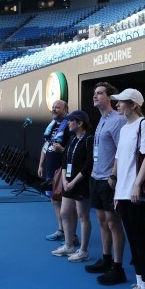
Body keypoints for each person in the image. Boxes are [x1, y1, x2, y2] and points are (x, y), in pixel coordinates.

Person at [110, 88, 145, 289]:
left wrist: (137, 185)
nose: (117, 105)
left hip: (136, 194)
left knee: (140, 242)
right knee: (133, 240)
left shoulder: (144, 125)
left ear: (134, 105)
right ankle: (140, 285)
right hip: (124, 194)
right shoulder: (124, 129)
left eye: (121, 102)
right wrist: (118, 192)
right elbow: (120, 161)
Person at [86, 82, 128, 286]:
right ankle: (106, 259)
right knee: (102, 220)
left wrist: (113, 176)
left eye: (99, 93)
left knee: (113, 223)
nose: (95, 96)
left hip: (109, 180)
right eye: (94, 93)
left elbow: (123, 151)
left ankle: (118, 268)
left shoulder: (118, 120)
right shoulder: (102, 120)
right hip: (97, 178)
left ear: (109, 98)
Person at [51, 110, 93, 262]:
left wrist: (74, 181)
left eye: (70, 120)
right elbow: (64, 161)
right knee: (64, 213)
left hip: (81, 184)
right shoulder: (72, 139)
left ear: (80, 123)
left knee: (83, 216)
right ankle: (69, 246)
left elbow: (89, 165)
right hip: (68, 183)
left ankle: (84, 251)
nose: (68, 123)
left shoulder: (89, 139)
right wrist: (64, 181)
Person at [38, 100, 72, 243]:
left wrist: (62, 150)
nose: (54, 109)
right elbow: (46, 146)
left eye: (57, 107)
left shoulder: (70, 126)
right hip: (51, 169)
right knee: (54, 200)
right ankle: (60, 230)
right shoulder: (51, 126)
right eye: (53, 107)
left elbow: (73, 150)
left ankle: (71, 235)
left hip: (63, 169)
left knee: (66, 203)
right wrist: (41, 165)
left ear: (65, 110)